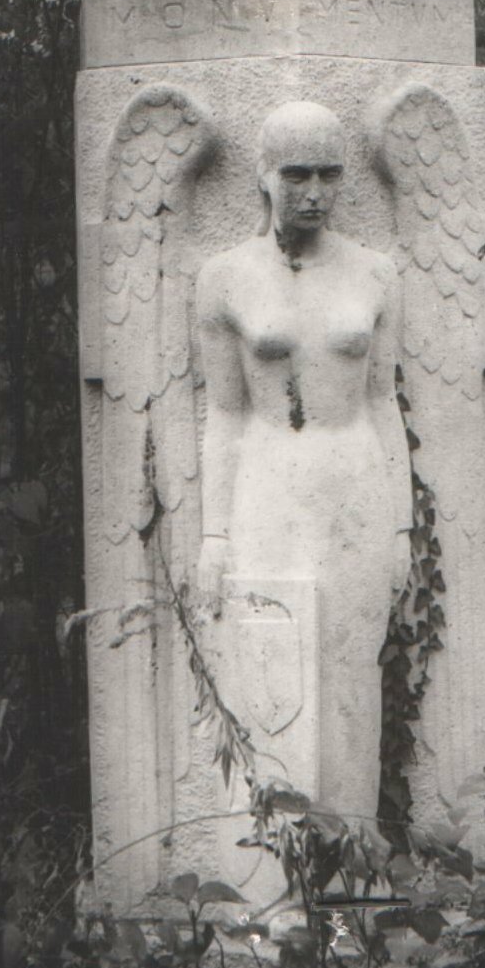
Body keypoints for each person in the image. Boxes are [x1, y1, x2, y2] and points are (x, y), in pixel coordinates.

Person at [196, 100, 412, 820]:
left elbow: (383, 401)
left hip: (354, 485)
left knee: (352, 672)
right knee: (270, 669)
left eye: (328, 174)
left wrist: (402, 530)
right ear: (263, 175)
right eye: (296, 175)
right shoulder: (225, 278)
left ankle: (351, 852)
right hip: (266, 488)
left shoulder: (375, 274)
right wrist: (214, 536)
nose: (314, 192)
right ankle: (272, 865)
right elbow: (225, 412)